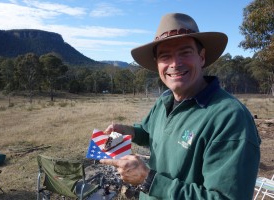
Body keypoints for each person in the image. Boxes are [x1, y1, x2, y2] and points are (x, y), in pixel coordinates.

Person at [100, 13, 261, 199]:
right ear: (157, 64)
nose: (175, 64)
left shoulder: (230, 118)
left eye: (185, 53)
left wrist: (149, 179)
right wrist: (131, 131)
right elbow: (151, 132)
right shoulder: (165, 100)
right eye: (165, 56)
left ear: (201, 57)